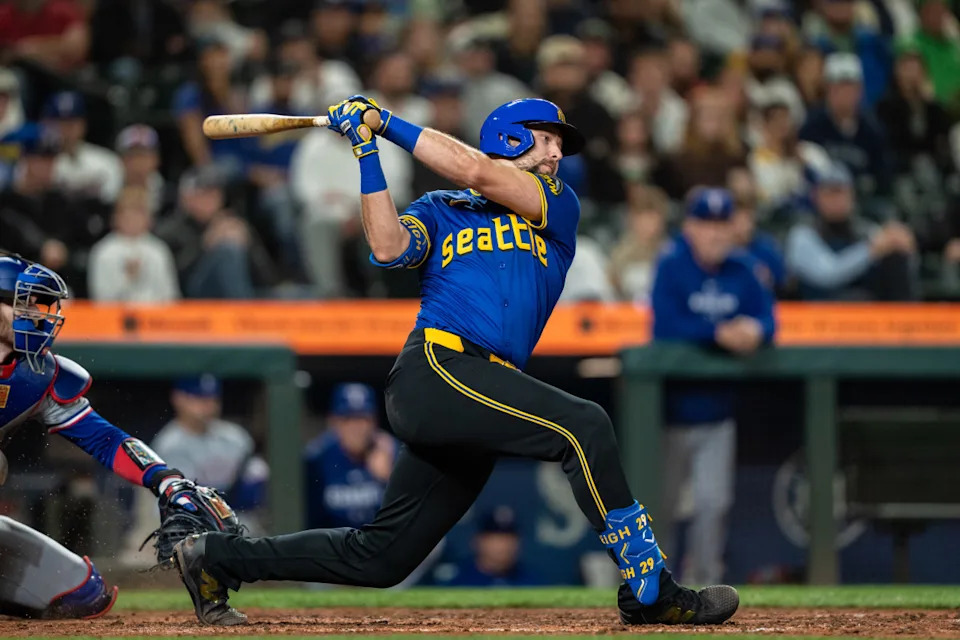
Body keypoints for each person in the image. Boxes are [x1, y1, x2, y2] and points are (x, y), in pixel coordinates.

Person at [168, 96, 740, 627]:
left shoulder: (557, 206)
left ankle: (218, 559)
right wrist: (368, 153)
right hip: (438, 369)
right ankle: (652, 588)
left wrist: (385, 123)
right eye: (547, 140)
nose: (559, 152)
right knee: (583, 424)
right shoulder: (442, 208)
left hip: (482, 388)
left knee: (382, 557)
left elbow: (477, 171)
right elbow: (388, 248)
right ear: (512, 138)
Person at [0, 255, 236, 619]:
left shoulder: (36, 374)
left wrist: (166, 480)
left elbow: (105, 438)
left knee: (81, 593)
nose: (35, 313)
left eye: (37, 303)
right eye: (24, 303)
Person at [651, 188, 776, 586]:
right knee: (662, 509)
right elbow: (665, 326)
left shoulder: (743, 268)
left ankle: (705, 585)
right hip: (667, 413)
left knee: (713, 504)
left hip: (717, 411)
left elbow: (769, 319)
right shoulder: (672, 264)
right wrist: (717, 332)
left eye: (723, 225)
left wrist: (754, 329)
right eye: (707, 225)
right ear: (690, 227)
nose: (716, 234)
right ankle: (655, 587)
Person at [785, 162, 918, 301]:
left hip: (867, 315)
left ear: (852, 196)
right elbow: (828, 275)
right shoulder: (802, 234)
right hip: (815, 315)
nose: (836, 200)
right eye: (829, 193)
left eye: (841, 192)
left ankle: (906, 319)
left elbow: (904, 259)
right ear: (816, 197)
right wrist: (871, 250)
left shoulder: (865, 230)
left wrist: (901, 244)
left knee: (895, 258)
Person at [152, 375, 266, 511]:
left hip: (234, 518)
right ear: (178, 399)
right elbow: (185, 500)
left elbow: (254, 488)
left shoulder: (236, 437)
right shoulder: (169, 444)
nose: (208, 406)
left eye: (213, 399)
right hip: (179, 522)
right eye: (199, 398)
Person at [798, 53, 891, 199]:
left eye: (849, 87)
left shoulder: (872, 129)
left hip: (865, 201)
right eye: (837, 88)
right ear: (827, 89)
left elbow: (883, 175)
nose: (843, 94)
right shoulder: (812, 126)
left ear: (860, 90)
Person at [304, 383, 396, 530]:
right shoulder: (317, 458)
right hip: (333, 547)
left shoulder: (392, 453)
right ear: (334, 422)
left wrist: (391, 479)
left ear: (374, 422)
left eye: (362, 419)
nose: (356, 428)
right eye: (348, 419)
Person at [87, 185, 180, 302]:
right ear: (116, 217)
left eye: (139, 213)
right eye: (128, 214)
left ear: (149, 218)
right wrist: (127, 279)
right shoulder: (103, 251)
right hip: (114, 316)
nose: (133, 219)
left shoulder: (158, 250)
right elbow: (99, 298)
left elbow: (170, 295)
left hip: (154, 316)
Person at [42, 91, 123, 205]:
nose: (65, 130)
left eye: (72, 123)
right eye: (59, 123)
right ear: (46, 124)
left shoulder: (106, 162)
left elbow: (110, 202)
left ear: (83, 125)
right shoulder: (36, 162)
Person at [437, 506, 541, 587]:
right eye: (496, 538)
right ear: (478, 541)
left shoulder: (530, 581)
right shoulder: (458, 580)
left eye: (509, 538)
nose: (503, 545)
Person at [609, 184, 670, 303]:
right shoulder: (620, 254)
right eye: (640, 216)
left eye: (651, 217)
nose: (646, 224)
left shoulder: (670, 253)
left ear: (661, 220)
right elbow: (612, 292)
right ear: (631, 219)